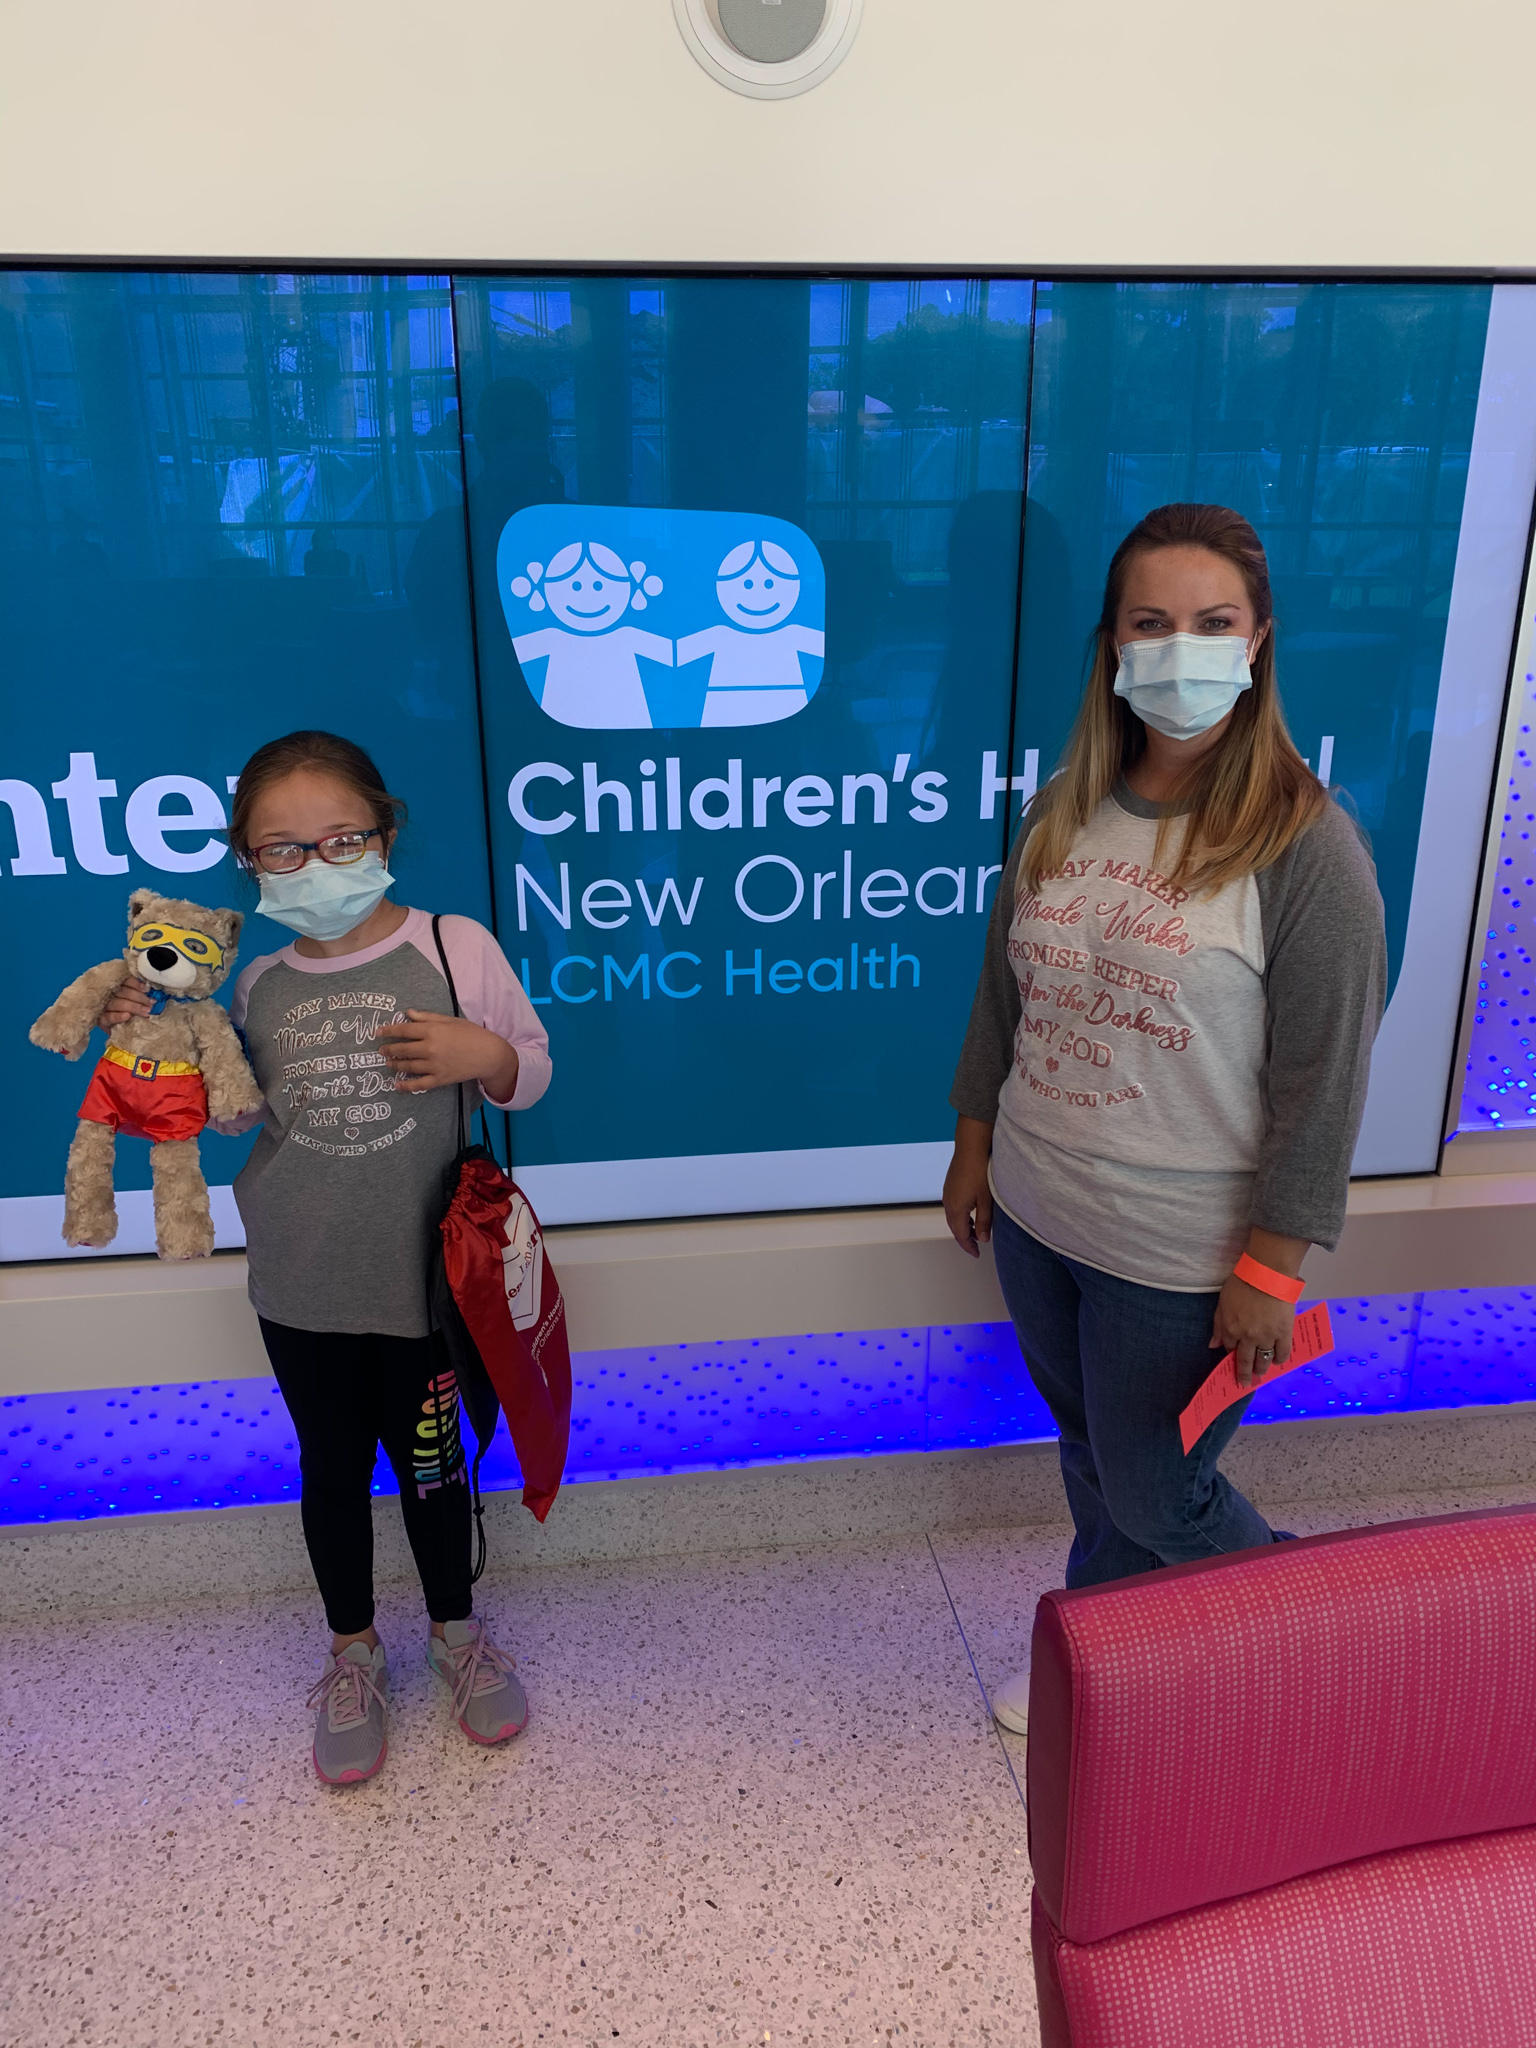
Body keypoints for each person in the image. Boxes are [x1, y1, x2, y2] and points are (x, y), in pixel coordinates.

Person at [943, 503, 1386, 1737]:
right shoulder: (1065, 805)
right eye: (1152, 622)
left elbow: (1325, 1079)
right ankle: (1114, 1670)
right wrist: (973, 1139)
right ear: (1112, 646)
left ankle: (1333, 1636)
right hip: (1040, 1216)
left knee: (1158, 1491)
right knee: (1096, 1459)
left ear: (1258, 643)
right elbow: (1006, 990)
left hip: (1177, 1259)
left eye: (1211, 622)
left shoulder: (1307, 848)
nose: (1180, 649)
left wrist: (1273, 1268)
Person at [98, 730, 552, 1786]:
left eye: (341, 839)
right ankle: (354, 1653)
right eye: (283, 849)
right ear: (248, 862)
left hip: (426, 1288)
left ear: (385, 834)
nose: (315, 865)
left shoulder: (451, 946)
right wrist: (153, 1043)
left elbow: (530, 1073)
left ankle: (455, 1632)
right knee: (331, 1471)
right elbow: (227, 1115)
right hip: (302, 1284)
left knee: (435, 1470)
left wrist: (484, 1053)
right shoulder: (255, 983)